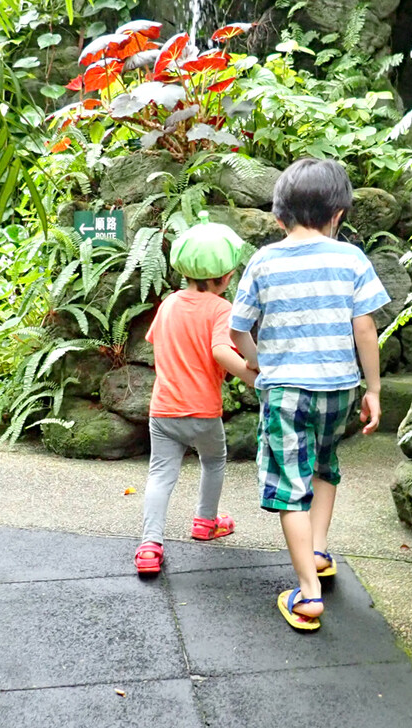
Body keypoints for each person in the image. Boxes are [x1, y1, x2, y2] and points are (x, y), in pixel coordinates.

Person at [228, 158, 390, 630]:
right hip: (338, 389)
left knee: (289, 486)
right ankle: (318, 552)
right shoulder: (351, 259)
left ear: (280, 217)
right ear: (338, 215)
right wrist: (373, 389)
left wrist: (259, 364)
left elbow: (237, 329)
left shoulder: (264, 261)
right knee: (324, 466)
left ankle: (309, 594)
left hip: (286, 393)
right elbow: (365, 329)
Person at [135, 212, 258, 576]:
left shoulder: (170, 304)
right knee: (214, 461)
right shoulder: (222, 309)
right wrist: (252, 377)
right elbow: (222, 351)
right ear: (224, 277)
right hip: (203, 412)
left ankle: (149, 545)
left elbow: (156, 342)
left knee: (160, 476)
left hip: (164, 410)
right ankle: (206, 521)